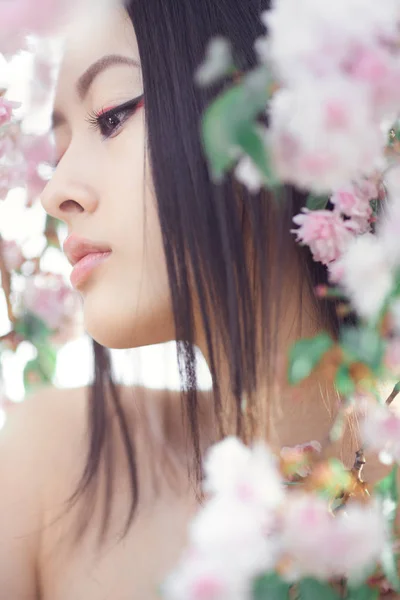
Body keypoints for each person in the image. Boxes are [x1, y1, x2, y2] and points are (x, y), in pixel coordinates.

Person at [0, 1, 397, 599]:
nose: (56, 193)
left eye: (109, 117)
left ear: (265, 108)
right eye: (56, 153)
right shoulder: (55, 465)